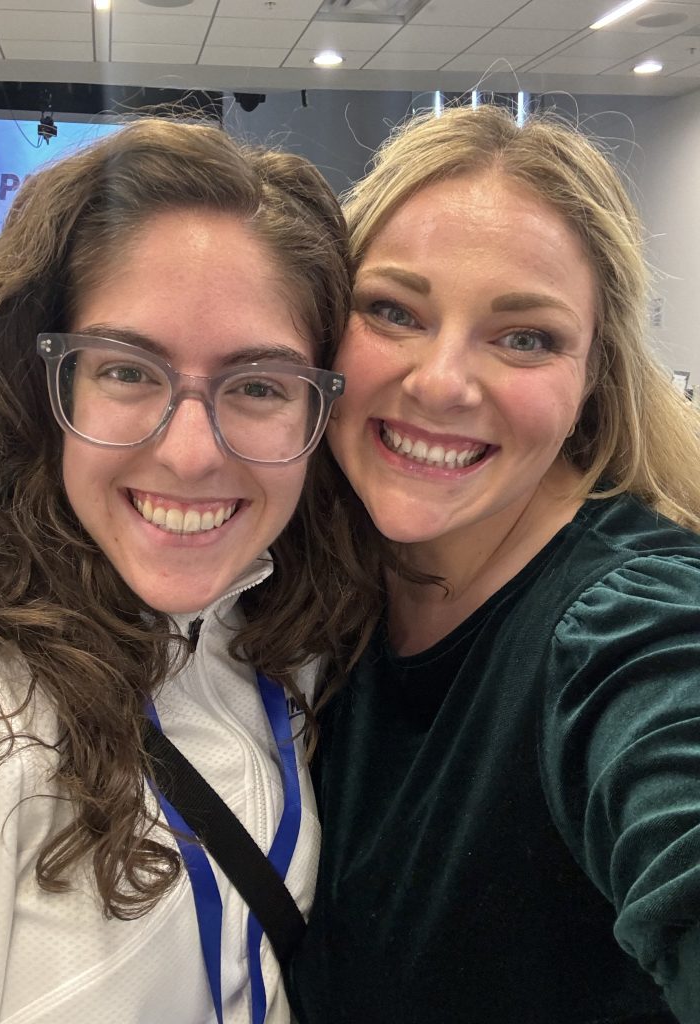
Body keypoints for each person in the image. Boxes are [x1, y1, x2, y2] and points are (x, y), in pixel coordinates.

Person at [286, 104, 700, 1024]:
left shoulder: (628, 619)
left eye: (525, 337)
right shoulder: (313, 590)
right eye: (394, 311)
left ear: (594, 376)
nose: (440, 382)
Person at [0, 117, 351, 1024]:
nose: (192, 454)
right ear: (42, 382)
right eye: (126, 371)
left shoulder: (288, 636)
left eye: (259, 386)